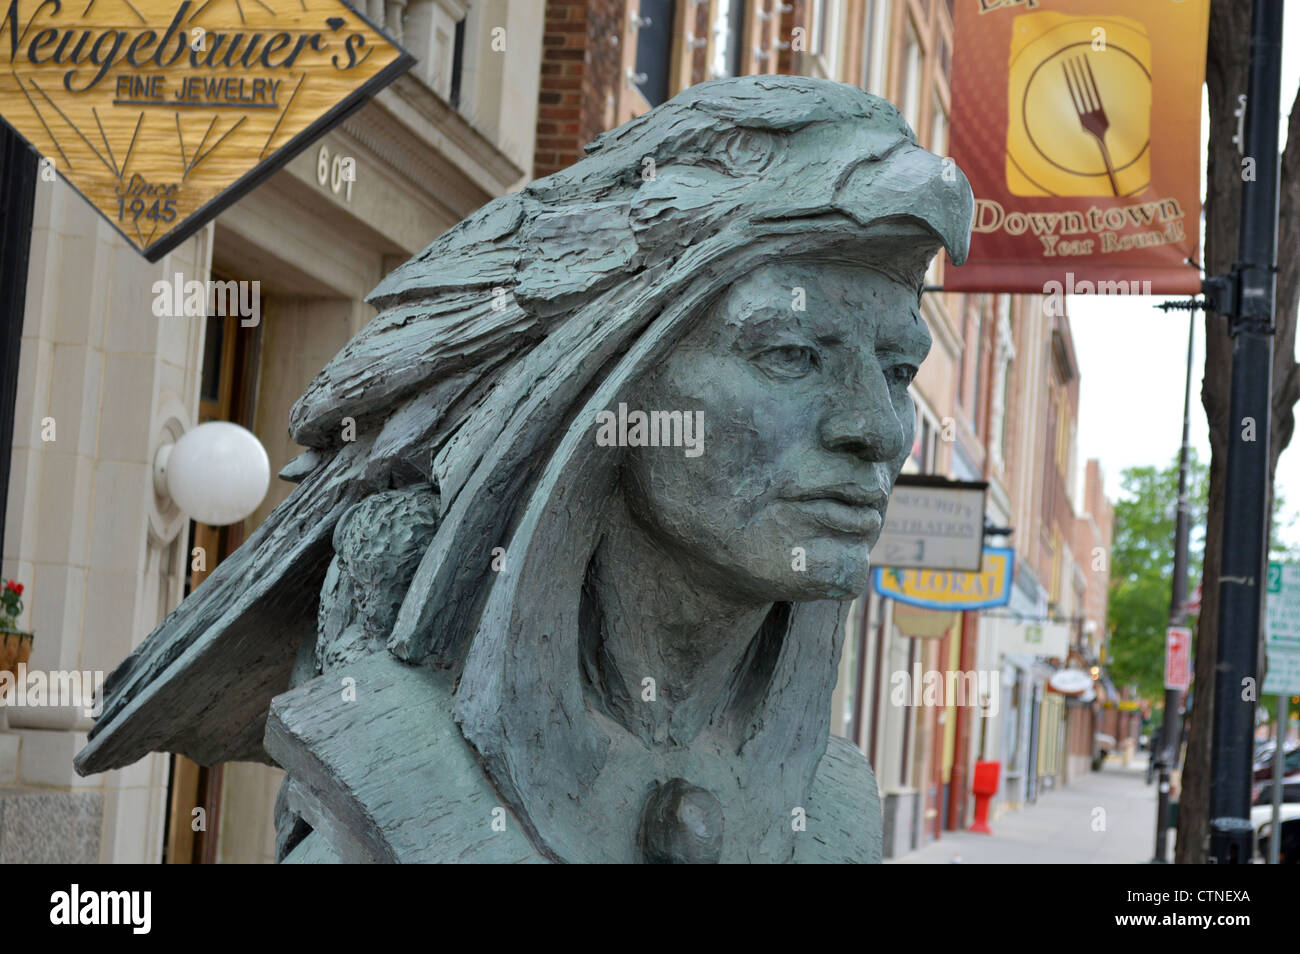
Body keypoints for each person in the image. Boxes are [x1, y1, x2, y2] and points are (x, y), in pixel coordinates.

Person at [76, 75, 974, 863]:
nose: (876, 430)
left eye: (897, 371)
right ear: (611, 379)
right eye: (789, 353)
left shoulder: (834, 812)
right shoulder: (401, 788)